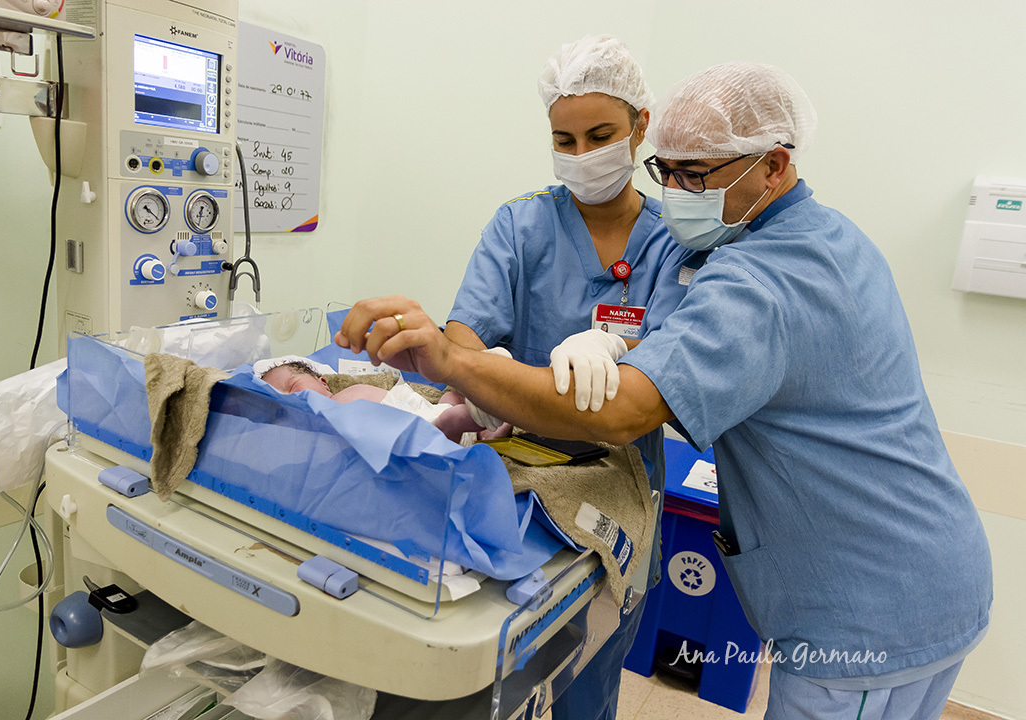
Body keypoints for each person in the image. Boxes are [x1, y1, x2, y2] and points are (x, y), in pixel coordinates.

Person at [336, 61, 993, 720]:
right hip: (913, 570)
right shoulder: (822, 235)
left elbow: (630, 406)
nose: (678, 191)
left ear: (774, 165)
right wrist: (569, 357)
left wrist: (454, 361)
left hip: (868, 609)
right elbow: (684, 342)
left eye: (696, 175)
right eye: (668, 171)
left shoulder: (758, 277)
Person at [441, 35, 696, 720]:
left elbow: (674, 373)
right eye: (565, 138)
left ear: (641, 125)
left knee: (592, 671)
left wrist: (620, 347)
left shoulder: (678, 239)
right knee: (505, 667)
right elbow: (462, 333)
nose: (582, 155)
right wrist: (481, 368)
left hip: (622, 484)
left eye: (601, 134)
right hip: (524, 478)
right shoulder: (521, 224)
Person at [259, 359, 496, 443]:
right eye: (283, 403)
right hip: (425, 436)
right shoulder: (321, 423)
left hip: (423, 410)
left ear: (323, 382)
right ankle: (495, 419)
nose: (292, 398)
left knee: (450, 397)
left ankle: (491, 404)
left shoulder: (343, 392)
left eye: (292, 387)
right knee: (451, 419)